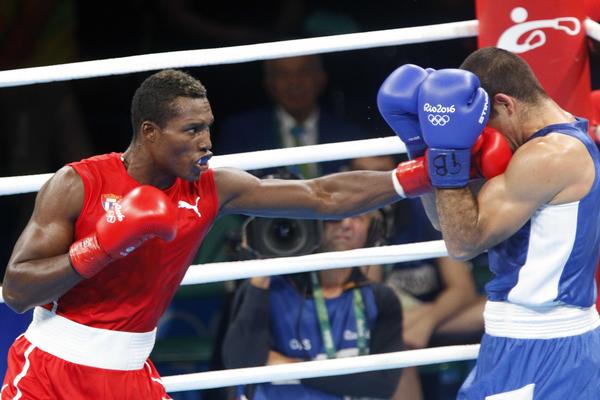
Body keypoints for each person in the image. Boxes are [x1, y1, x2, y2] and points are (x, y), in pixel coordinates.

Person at [0, 68, 413, 399]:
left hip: (130, 373)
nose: (207, 143)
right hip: (52, 372)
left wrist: (414, 177)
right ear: (149, 132)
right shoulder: (79, 183)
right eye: (192, 130)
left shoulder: (212, 188)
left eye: (208, 128)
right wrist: (100, 247)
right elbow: (17, 291)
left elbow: (322, 195)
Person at [380, 47, 600, 399]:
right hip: (515, 339)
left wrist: (449, 156)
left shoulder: (550, 155)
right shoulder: (532, 147)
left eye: (484, 124)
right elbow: (448, 223)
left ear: (504, 104)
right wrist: (423, 149)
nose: (481, 138)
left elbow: (463, 243)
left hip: (546, 347)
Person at [222, 210, 402, 399]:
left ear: (371, 229)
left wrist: (292, 367)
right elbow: (240, 364)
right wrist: (261, 274)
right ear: (314, 224)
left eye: (357, 216)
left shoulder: (380, 298)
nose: (346, 223)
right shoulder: (267, 286)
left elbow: (383, 383)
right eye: (336, 215)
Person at [351, 155, 480, 400]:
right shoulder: (348, 221)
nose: (370, 182)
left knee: (491, 309)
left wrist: (428, 319)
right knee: (393, 342)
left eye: (379, 173)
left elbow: (463, 290)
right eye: (362, 173)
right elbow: (366, 304)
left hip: (435, 318)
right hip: (386, 329)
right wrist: (371, 227)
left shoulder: (422, 209)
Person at [218, 54, 368, 177]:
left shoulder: (351, 134)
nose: (294, 82)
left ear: (321, 78)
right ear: (268, 83)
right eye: (283, 74)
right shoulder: (240, 132)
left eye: (303, 72)